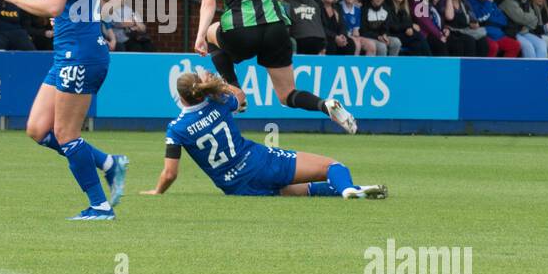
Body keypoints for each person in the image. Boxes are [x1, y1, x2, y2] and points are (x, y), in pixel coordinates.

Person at [0, 0, 128, 221]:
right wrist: (72, 15)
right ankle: (109, 163)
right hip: (72, 52)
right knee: (37, 129)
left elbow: (52, 5)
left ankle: (100, 206)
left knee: (67, 135)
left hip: (79, 54)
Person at [194, 0, 356, 131]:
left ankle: (235, 90)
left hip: (242, 30)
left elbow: (208, 5)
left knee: (210, 33)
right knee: (287, 94)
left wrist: (199, 36)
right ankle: (325, 105)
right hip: (276, 29)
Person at [141, 71, 386, 200]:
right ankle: (347, 190)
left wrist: (157, 191)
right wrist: (218, 83)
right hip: (258, 161)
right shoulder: (220, 103)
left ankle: (354, 189)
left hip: (236, 186)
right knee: (333, 166)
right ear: (201, 90)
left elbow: (170, 173)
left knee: (303, 190)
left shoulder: (177, 128)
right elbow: (240, 95)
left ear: (180, 97)